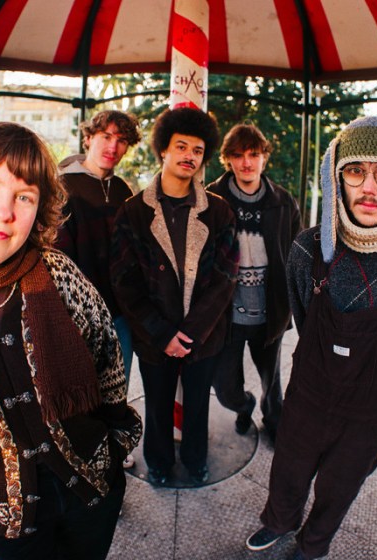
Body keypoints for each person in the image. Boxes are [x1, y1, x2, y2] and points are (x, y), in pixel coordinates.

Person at [0, 121, 142, 560]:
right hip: (2, 520)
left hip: (92, 491)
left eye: (25, 196)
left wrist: (116, 446)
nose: (4, 211)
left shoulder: (60, 273)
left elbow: (107, 362)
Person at [246, 116, 377, 560]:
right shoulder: (307, 249)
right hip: (307, 395)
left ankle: (313, 545)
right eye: (355, 171)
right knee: (288, 471)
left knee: (339, 488)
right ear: (336, 178)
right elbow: (305, 318)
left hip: (368, 415)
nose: (369, 188)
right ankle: (279, 522)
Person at [110, 107, 239, 486]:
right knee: (158, 404)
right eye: (181, 146)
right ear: (163, 150)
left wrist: (192, 333)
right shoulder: (134, 212)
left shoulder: (218, 212)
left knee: (197, 405)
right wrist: (163, 333)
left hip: (204, 336)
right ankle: (159, 464)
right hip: (155, 338)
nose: (189, 156)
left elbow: (225, 277)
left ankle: (197, 462)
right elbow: (124, 280)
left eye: (197, 150)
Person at [55, 110, 141, 470]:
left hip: (120, 312)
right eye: (106, 136)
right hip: (78, 313)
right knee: (82, 389)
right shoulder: (63, 186)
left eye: (121, 140)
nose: (113, 146)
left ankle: (115, 448)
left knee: (117, 384)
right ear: (88, 137)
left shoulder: (122, 190)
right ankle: (88, 456)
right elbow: (57, 256)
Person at [207, 123, 301, 443]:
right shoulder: (211, 199)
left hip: (269, 313)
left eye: (253, 154)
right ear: (228, 160)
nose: (246, 162)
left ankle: (275, 423)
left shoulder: (284, 202)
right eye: (238, 155)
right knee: (224, 387)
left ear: (264, 158)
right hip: (226, 316)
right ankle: (243, 406)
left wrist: (294, 305)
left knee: (272, 384)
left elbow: (297, 256)